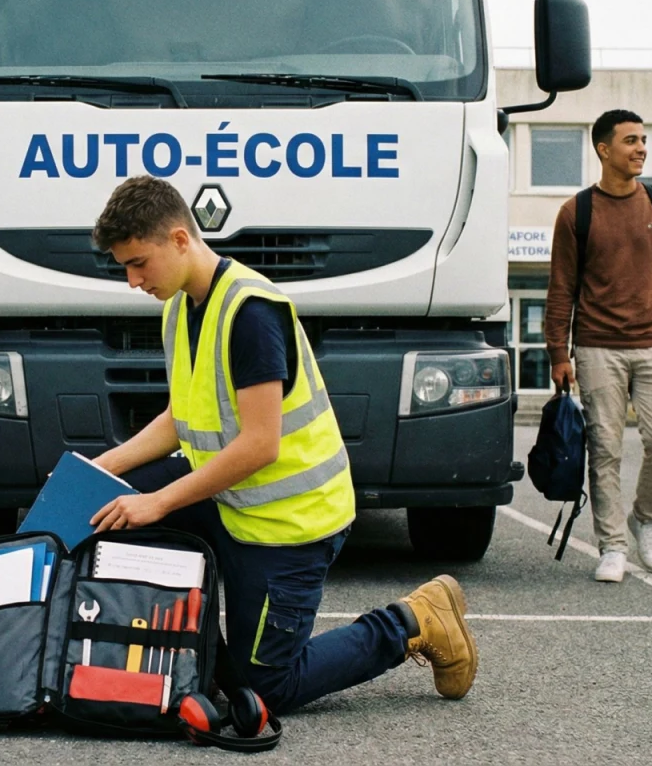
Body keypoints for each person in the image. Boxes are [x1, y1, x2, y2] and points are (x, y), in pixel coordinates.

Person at [85, 176, 478, 715]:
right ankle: (193, 657)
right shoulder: (181, 306)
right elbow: (183, 415)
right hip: (234, 501)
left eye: (137, 263)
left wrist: (159, 500)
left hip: (290, 522)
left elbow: (260, 445)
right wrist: (102, 467)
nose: (132, 281)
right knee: (109, 504)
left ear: (179, 239)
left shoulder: (251, 312)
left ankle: (412, 620)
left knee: (268, 688)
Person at [543, 109, 652, 583]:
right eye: (630, 141)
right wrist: (559, 351)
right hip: (597, 347)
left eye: (643, 140)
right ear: (603, 149)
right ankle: (612, 545)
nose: (640, 148)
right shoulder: (575, 212)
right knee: (604, 449)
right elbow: (561, 288)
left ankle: (645, 517)